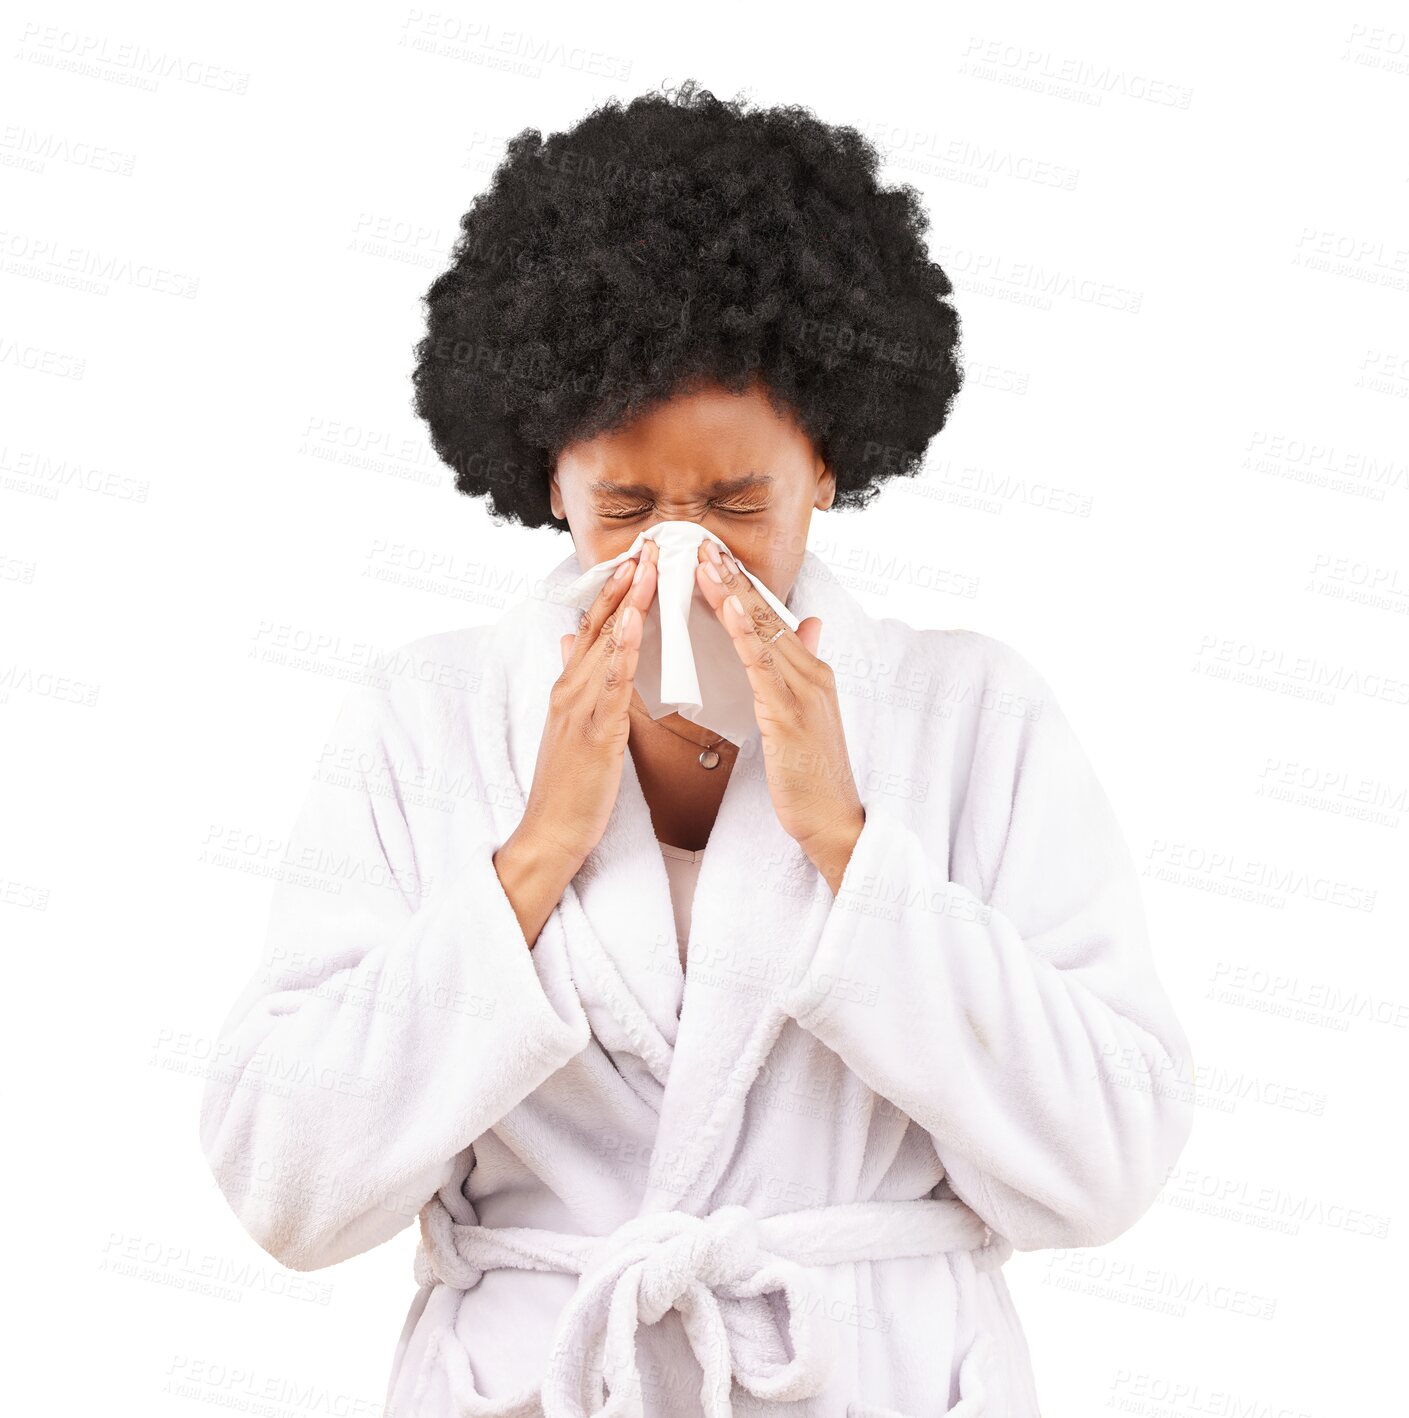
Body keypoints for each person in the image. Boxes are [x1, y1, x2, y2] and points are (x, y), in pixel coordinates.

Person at [199, 79, 1194, 1417]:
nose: (686, 553)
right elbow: (285, 1183)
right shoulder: (416, 724)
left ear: (828, 467)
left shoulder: (975, 717)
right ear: (546, 476)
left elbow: (1109, 1158)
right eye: (623, 507)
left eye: (738, 502)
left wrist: (850, 848)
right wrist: (533, 855)